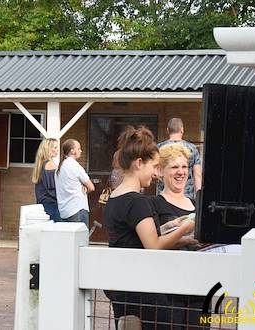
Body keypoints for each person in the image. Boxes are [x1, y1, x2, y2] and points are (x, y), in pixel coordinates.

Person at [103, 127, 197, 330]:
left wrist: (174, 228)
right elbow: (153, 245)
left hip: (123, 286)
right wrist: (188, 226)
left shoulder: (115, 198)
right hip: (142, 291)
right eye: (154, 166)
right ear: (139, 163)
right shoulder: (137, 202)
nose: (156, 173)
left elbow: (135, 239)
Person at [151, 143, 204, 328]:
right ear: (161, 172)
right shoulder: (154, 204)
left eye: (184, 167)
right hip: (168, 290)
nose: (181, 172)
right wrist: (184, 238)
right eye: (174, 167)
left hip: (199, 286)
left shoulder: (197, 205)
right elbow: (152, 244)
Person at [157, 118, 202, 198]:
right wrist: (199, 197)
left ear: (168, 130)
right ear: (182, 130)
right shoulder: (192, 148)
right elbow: (197, 175)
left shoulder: (159, 148)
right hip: (186, 196)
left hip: (163, 197)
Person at [56, 139, 94, 226]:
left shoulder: (59, 168)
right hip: (77, 209)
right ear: (72, 151)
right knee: (80, 239)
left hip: (63, 211)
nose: (81, 151)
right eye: (79, 148)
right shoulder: (76, 166)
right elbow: (91, 187)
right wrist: (84, 190)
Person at [32, 138, 61, 221]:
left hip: (43, 205)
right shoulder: (50, 165)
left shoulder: (40, 165)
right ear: (48, 149)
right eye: (55, 147)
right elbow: (56, 187)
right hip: (52, 206)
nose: (57, 150)